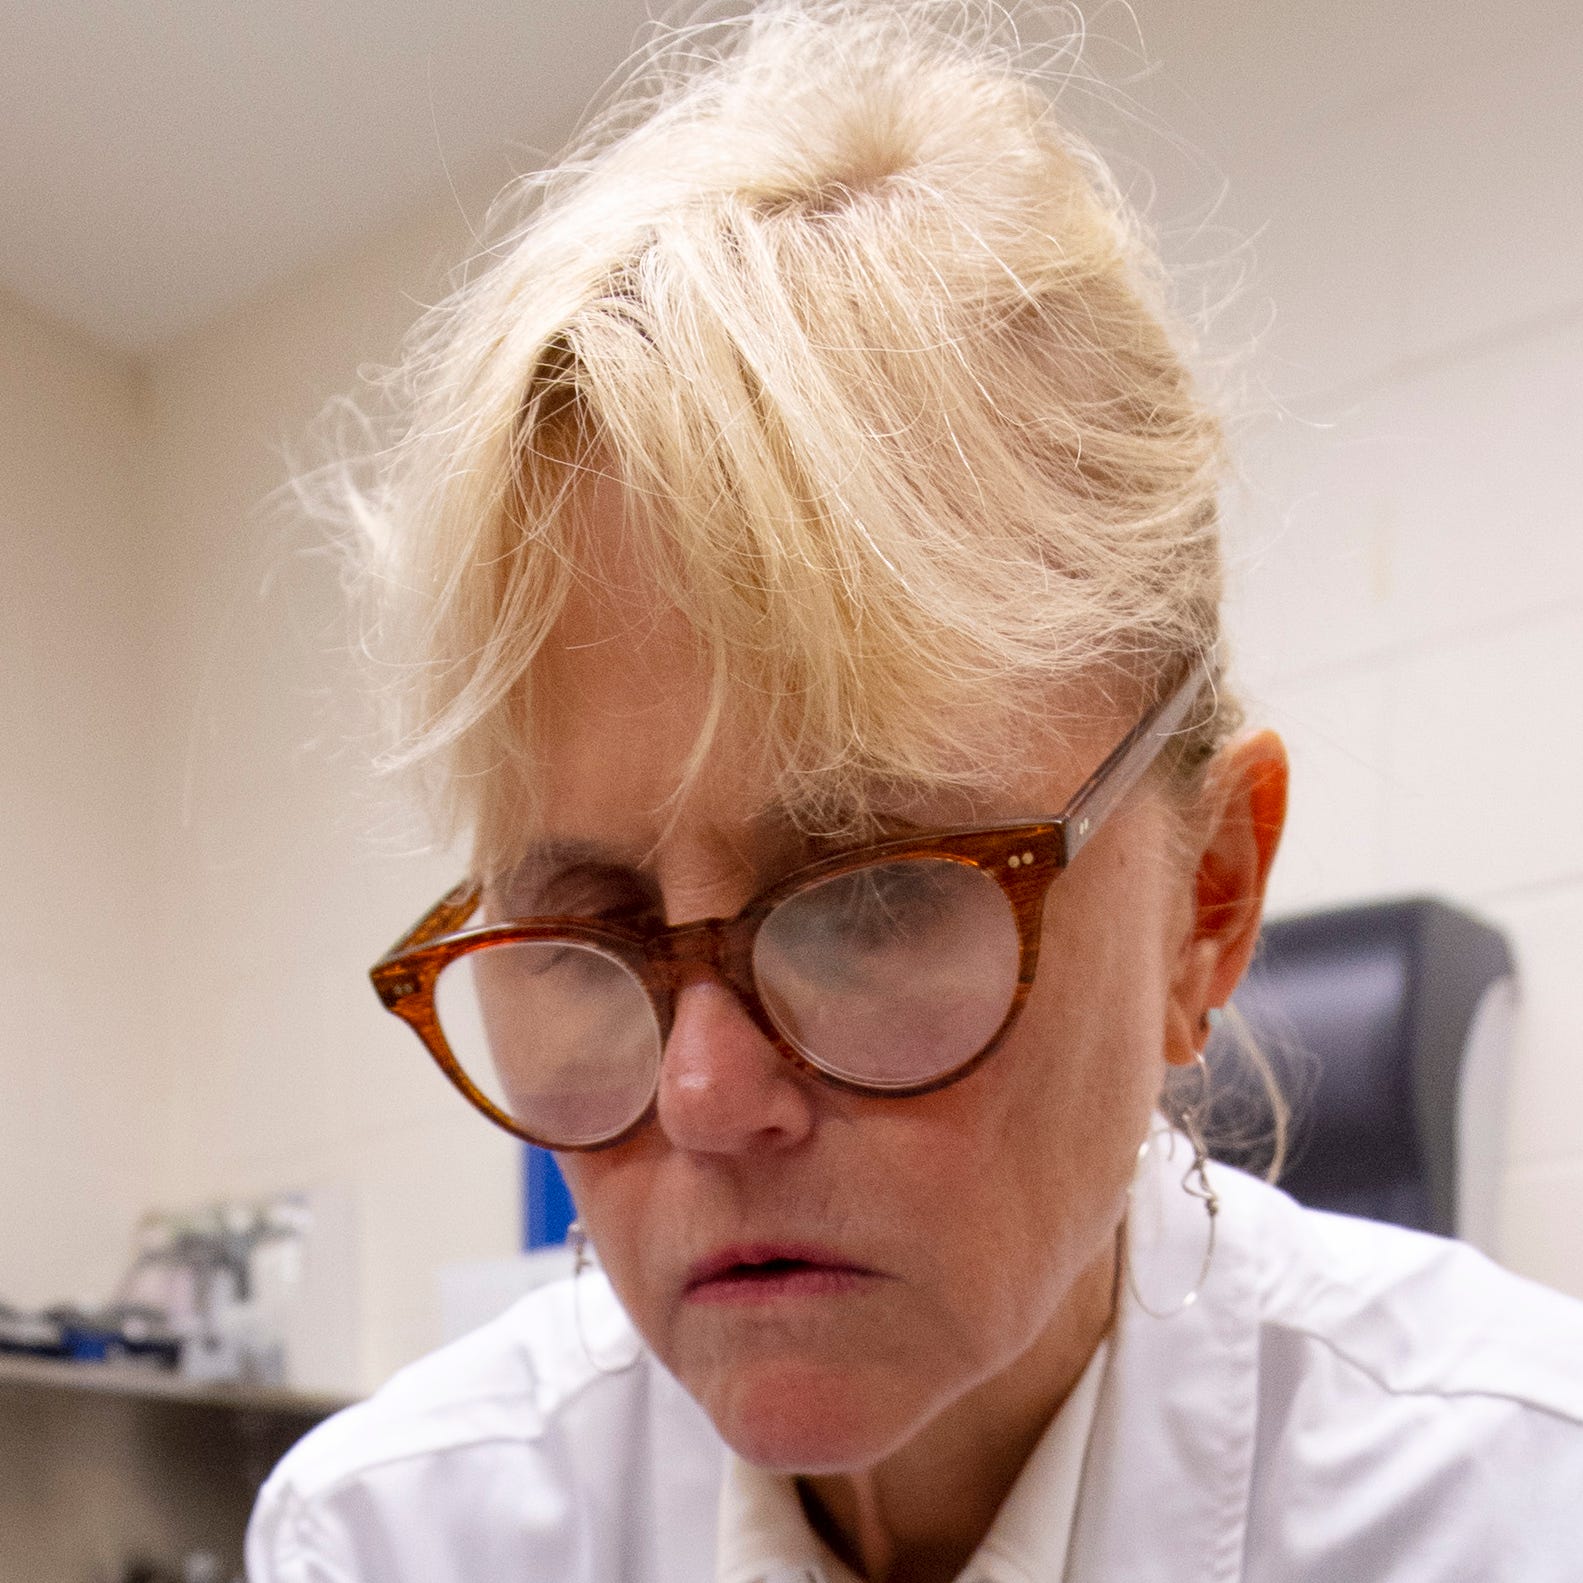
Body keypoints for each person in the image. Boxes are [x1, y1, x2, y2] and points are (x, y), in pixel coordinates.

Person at [246, 4, 1583, 1579]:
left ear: (1205, 906)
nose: (701, 1101)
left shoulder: (1514, 1510)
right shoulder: (401, 1538)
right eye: (583, 929)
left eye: (874, 893)